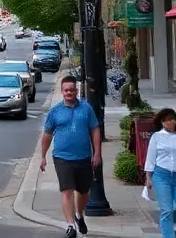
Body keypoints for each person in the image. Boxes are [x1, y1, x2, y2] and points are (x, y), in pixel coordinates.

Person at [39, 75, 101, 238]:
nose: (69, 93)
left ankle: (78, 215)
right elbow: (47, 134)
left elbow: (95, 129)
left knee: (84, 191)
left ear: (76, 90)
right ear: (62, 91)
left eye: (72, 90)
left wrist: (97, 153)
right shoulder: (55, 112)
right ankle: (70, 225)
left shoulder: (86, 109)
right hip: (62, 157)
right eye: (66, 90)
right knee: (67, 191)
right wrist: (43, 156)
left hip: (84, 157)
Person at [144, 107, 176, 238]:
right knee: (167, 210)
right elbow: (150, 159)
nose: (170, 122)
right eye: (166, 120)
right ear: (162, 122)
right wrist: (148, 178)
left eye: (172, 119)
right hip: (162, 176)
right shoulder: (157, 137)